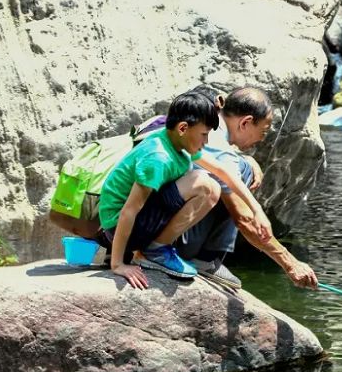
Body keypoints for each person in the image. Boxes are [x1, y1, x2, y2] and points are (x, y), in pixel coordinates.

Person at [100, 90, 270, 290]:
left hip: (138, 223)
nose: (206, 142)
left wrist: (257, 210)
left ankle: (156, 249)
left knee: (212, 185)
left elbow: (222, 171)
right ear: (183, 128)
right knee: (204, 184)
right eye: (204, 135)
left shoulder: (177, 143)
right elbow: (129, 210)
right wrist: (118, 264)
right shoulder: (158, 157)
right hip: (119, 228)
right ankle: (154, 252)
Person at [178, 87, 319, 290]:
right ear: (245, 122)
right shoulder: (222, 152)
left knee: (242, 168)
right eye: (263, 131)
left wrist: (245, 158)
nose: (262, 138)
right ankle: (205, 259)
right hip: (167, 239)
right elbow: (244, 219)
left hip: (141, 225)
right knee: (237, 175)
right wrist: (290, 264)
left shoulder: (203, 123)